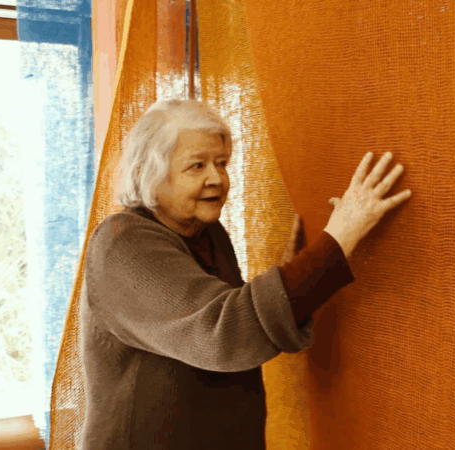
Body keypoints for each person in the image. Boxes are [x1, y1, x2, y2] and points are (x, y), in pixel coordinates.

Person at [78, 99, 411, 449]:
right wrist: (341, 235)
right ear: (149, 173)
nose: (217, 178)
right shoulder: (123, 242)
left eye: (221, 163)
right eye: (197, 166)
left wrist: (298, 272)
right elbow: (227, 333)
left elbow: (234, 322)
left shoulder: (207, 233)